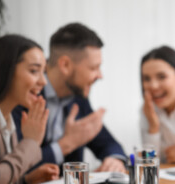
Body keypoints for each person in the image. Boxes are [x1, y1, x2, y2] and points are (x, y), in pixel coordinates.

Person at [12, 23, 127, 173]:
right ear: (65, 65)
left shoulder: (78, 99)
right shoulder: (24, 96)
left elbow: (107, 143)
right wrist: (66, 144)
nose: (100, 75)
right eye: (93, 68)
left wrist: (114, 160)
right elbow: (15, 166)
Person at [0, 35, 60, 184]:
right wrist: (31, 142)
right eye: (34, 71)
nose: (43, 81)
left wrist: (26, 181)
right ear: (6, 70)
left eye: (44, 72)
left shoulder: (7, 117)